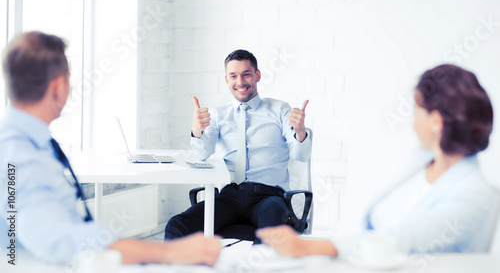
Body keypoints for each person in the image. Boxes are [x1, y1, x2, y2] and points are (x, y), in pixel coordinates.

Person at [0, 31, 221, 266]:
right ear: (57, 87)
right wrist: (167, 253)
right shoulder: (17, 154)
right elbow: (57, 240)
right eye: (69, 79)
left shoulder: (28, 142)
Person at [257, 64, 500, 256]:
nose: (413, 123)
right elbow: (364, 220)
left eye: (417, 112)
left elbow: (402, 240)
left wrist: (309, 247)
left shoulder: (476, 194)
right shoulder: (418, 162)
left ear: (436, 122)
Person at [164, 49, 312, 240]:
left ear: (257, 75)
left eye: (246, 74)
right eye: (233, 76)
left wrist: (300, 132)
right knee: (177, 225)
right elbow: (202, 153)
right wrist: (197, 131)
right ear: (226, 80)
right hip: (229, 197)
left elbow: (301, 156)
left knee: (272, 226)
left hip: (268, 196)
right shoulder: (218, 115)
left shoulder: (279, 110)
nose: (240, 82)